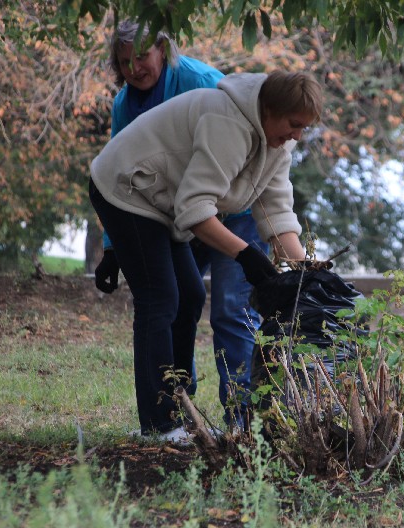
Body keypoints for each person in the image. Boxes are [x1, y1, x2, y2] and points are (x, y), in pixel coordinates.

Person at [89, 67, 322, 441]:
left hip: (159, 202)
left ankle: (182, 411)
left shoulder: (278, 142)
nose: (297, 135)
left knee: (192, 295)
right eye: (294, 124)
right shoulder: (226, 121)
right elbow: (196, 209)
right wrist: (247, 256)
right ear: (270, 109)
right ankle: (159, 423)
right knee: (160, 298)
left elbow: (276, 211)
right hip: (126, 189)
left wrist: (308, 274)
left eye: (303, 128)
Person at [93, 21, 272, 438]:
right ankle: (166, 413)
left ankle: (237, 419)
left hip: (230, 206)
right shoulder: (125, 102)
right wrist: (112, 245)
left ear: (163, 50)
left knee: (222, 306)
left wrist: (249, 249)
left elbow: (246, 152)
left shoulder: (202, 82)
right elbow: (119, 171)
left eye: (141, 56)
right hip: (176, 211)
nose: (134, 68)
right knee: (165, 299)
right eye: (124, 62)